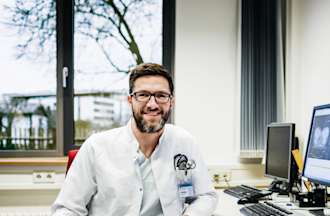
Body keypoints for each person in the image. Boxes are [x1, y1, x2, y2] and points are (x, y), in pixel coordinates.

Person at [51, 63, 218, 216]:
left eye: (161, 95)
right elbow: (67, 209)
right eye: (143, 95)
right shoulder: (97, 147)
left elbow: (206, 196)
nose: (152, 104)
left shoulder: (184, 142)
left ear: (171, 102)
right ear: (130, 100)